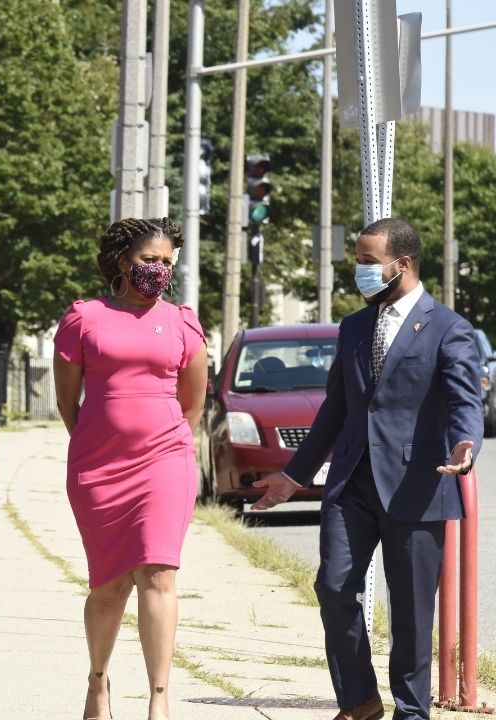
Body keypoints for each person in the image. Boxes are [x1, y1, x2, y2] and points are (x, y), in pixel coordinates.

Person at [253, 217, 482, 720]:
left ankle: (411, 710)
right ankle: (358, 701)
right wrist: (293, 476)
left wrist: (465, 444)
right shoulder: (354, 327)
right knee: (333, 587)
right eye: (356, 260)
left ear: (401, 264)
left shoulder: (449, 328)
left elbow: (466, 402)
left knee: (413, 611)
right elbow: (335, 410)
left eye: (366, 262)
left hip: (416, 486)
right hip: (351, 483)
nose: (357, 270)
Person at [52, 217, 208, 720]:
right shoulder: (84, 318)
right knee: (109, 585)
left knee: (158, 573)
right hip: (99, 468)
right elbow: (68, 403)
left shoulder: (183, 321)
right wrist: (103, 439)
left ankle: (159, 700)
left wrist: (162, 443)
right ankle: (98, 682)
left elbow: (193, 406)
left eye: (166, 262)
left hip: (166, 461)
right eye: (149, 260)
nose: (159, 270)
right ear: (124, 262)